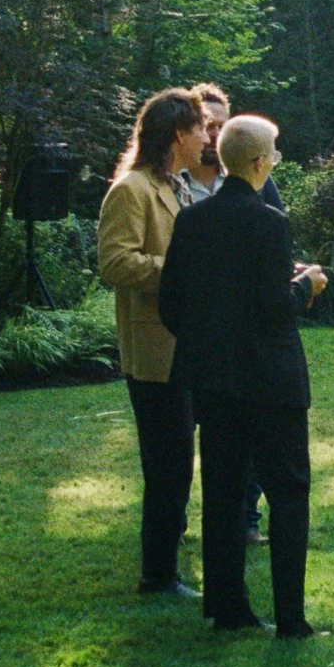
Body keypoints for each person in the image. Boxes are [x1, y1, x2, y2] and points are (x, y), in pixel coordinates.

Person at [158, 115, 327, 638]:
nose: (274, 161)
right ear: (258, 164)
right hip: (271, 383)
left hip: (213, 380)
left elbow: (171, 305)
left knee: (224, 492)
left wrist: (210, 340)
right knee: (288, 492)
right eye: (273, 154)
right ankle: (291, 620)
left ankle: (228, 610)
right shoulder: (269, 222)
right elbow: (274, 308)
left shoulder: (191, 221)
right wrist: (308, 286)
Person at [97, 88, 207, 599]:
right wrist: (180, 273)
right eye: (202, 128)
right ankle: (157, 575)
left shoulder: (177, 185)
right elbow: (116, 263)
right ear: (178, 134)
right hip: (154, 354)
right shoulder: (131, 190)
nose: (208, 137)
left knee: (179, 463)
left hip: (185, 349)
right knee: (167, 466)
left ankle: (168, 563)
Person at [182, 83, 286, 546]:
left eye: (223, 125)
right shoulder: (174, 184)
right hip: (199, 341)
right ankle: (181, 521)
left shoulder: (263, 190)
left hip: (248, 343)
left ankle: (243, 520)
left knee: (246, 443)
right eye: (208, 126)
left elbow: (276, 254)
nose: (215, 134)